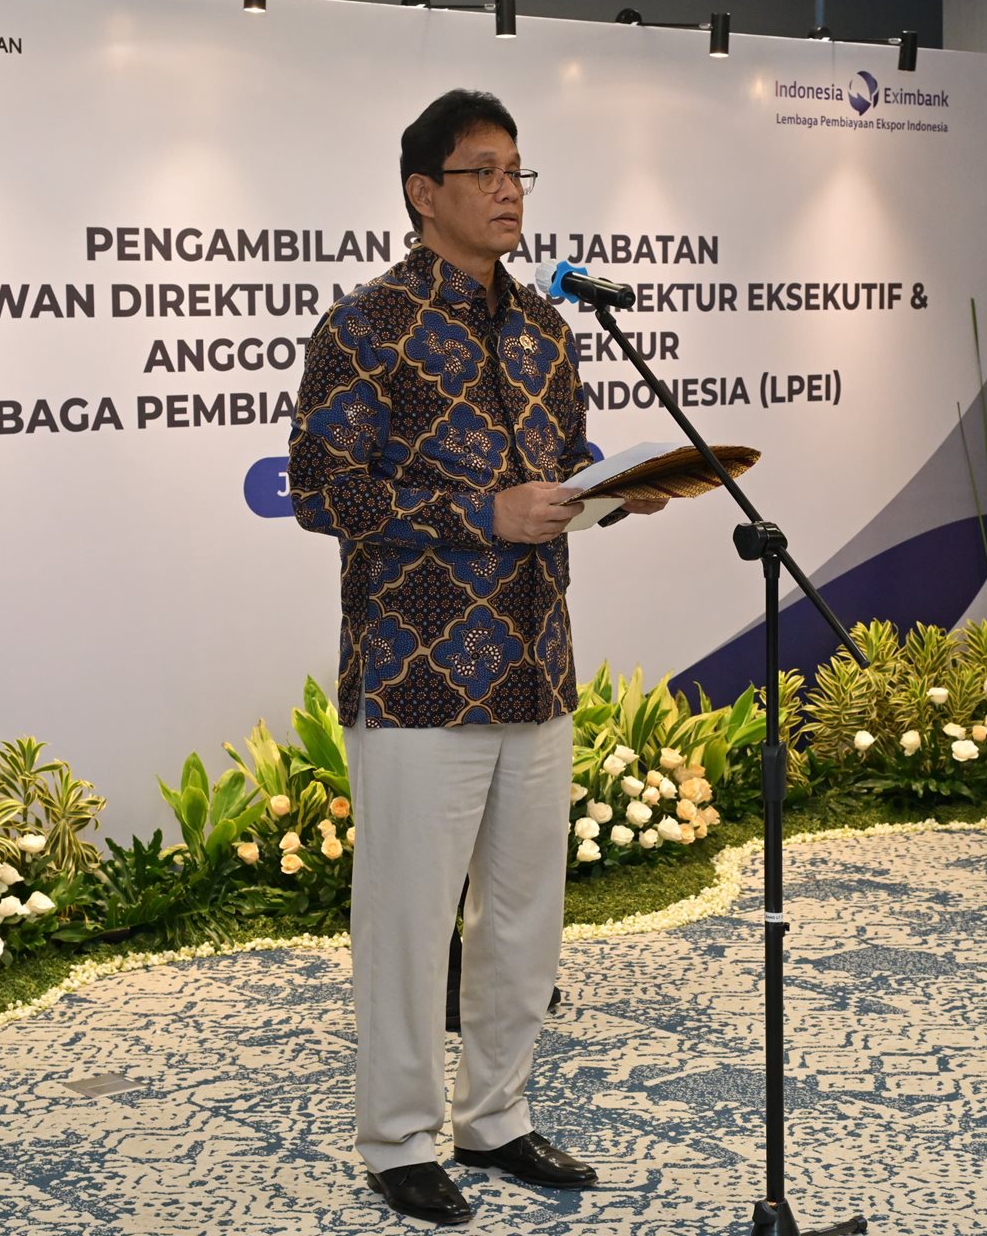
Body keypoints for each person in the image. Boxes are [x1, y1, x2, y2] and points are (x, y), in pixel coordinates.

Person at [287, 89, 661, 1226]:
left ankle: (496, 1115)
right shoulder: (365, 326)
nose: (508, 192)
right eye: (483, 172)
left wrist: (611, 494)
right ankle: (399, 1139)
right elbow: (323, 491)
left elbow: (556, 469)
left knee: (524, 917)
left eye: (517, 172)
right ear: (423, 192)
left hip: (535, 663)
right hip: (418, 675)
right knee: (409, 923)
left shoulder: (547, 328)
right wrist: (477, 515)